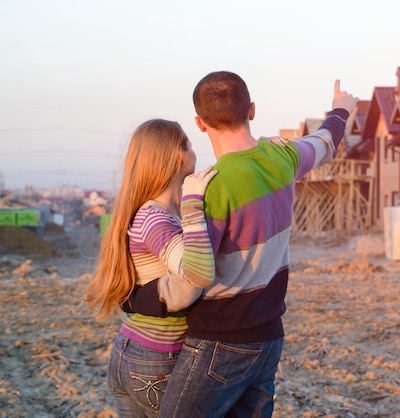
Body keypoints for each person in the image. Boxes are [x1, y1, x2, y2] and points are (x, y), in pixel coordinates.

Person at [123, 72, 359, 417]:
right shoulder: (284, 157)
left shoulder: (209, 189)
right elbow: (325, 143)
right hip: (269, 338)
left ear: (200, 124)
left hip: (220, 339)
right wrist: (340, 109)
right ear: (251, 110)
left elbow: (194, 274)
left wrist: (135, 297)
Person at [84, 118, 217, 417]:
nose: (196, 151)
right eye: (190, 144)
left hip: (134, 351)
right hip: (157, 358)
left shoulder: (154, 213)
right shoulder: (155, 219)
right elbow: (194, 270)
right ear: (179, 155)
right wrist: (195, 202)